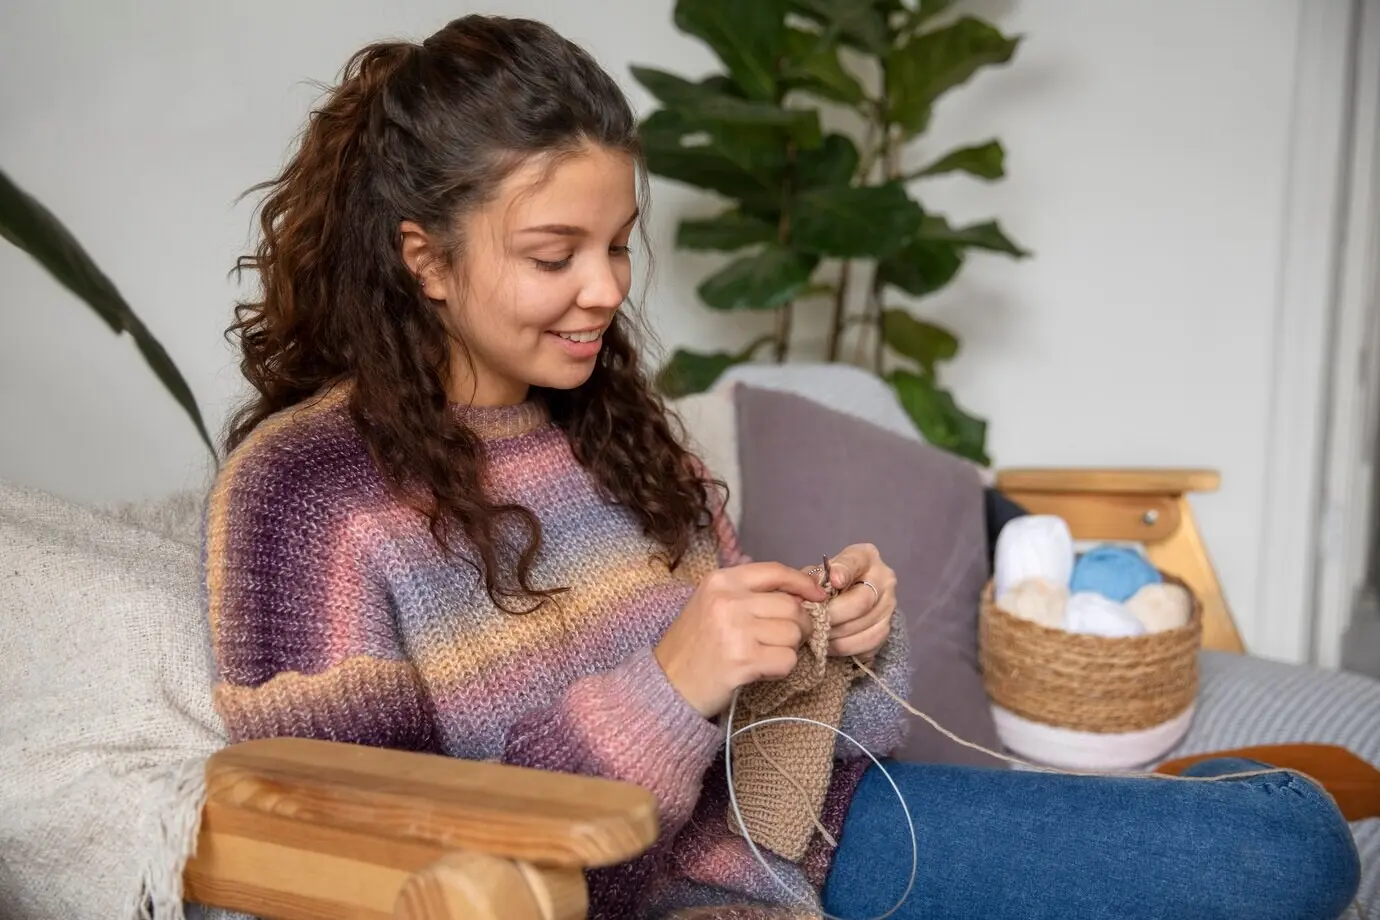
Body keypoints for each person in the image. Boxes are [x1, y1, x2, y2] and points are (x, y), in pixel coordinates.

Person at [204, 14, 1361, 920]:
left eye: (617, 244)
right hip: (650, 893)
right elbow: (385, 864)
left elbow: (817, 748)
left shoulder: (614, 422)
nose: (607, 289)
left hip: (813, 835)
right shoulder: (307, 499)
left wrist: (839, 641)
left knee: (1293, 841)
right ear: (427, 259)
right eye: (556, 253)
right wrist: (673, 681)